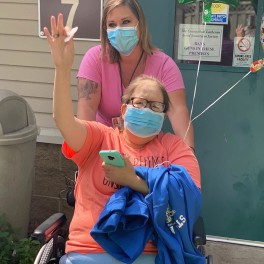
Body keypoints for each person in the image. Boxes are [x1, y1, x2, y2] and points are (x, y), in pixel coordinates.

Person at [44, 14, 202, 264]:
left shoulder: (173, 147)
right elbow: (64, 121)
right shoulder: (99, 137)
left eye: (155, 105)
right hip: (90, 251)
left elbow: (189, 193)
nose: (146, 109)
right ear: (124, 109)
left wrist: (133, 180)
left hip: (151, 254)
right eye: (139, 102)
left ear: (163, 115)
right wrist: (62, 68)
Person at [76, 0, 195, 150]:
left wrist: (188, 159)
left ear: (140, 25)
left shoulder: (164, 66)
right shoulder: (95, 59)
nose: (119, 29)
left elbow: (178, 112)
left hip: (149, 152)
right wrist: (88, 154)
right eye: (112, 24)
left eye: (126, 21)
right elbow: (86, 110)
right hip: (104, 147)